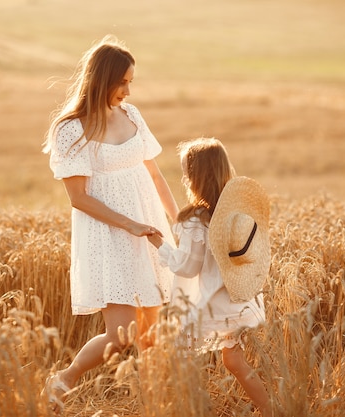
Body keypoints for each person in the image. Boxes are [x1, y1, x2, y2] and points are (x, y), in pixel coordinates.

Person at [41, 35, 179, 407]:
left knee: (151, 333)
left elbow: (155, 175)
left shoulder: (132, 116)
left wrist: (177, 220)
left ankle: (154, 404)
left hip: (148, 229)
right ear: (102, 79)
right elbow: (79, 198)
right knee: (120, 334)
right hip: (108, 235)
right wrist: (129, 225)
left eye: (131, 82)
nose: (129, 91)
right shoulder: (71, 129)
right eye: (123, 82)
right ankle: (63, 379)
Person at [146, 137, 275, 417]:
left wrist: (161, 246)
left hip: (213, 304)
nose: (183, 178)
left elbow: (188, 268)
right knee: (233, 359)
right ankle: (271, 410)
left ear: (196, 177)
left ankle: (188, 410)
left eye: (185, 172)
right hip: (238, 299)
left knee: (180, 358)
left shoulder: (195, 219)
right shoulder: (234, 214)